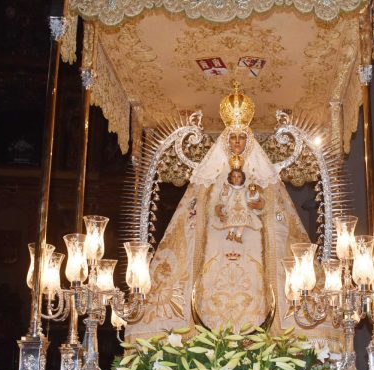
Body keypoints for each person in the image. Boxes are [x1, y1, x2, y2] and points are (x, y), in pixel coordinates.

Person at [126, 83, 342, 350]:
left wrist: (257, 201)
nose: (237, 143)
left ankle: (266, 330)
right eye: (233, 138)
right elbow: (194, 218)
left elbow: (276, 217)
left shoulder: (263, 178)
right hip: (216, 248)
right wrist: (214, 209)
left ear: (249, 141)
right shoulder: (210, 179)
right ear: (226, 141)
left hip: (254, 249)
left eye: (241, 138)